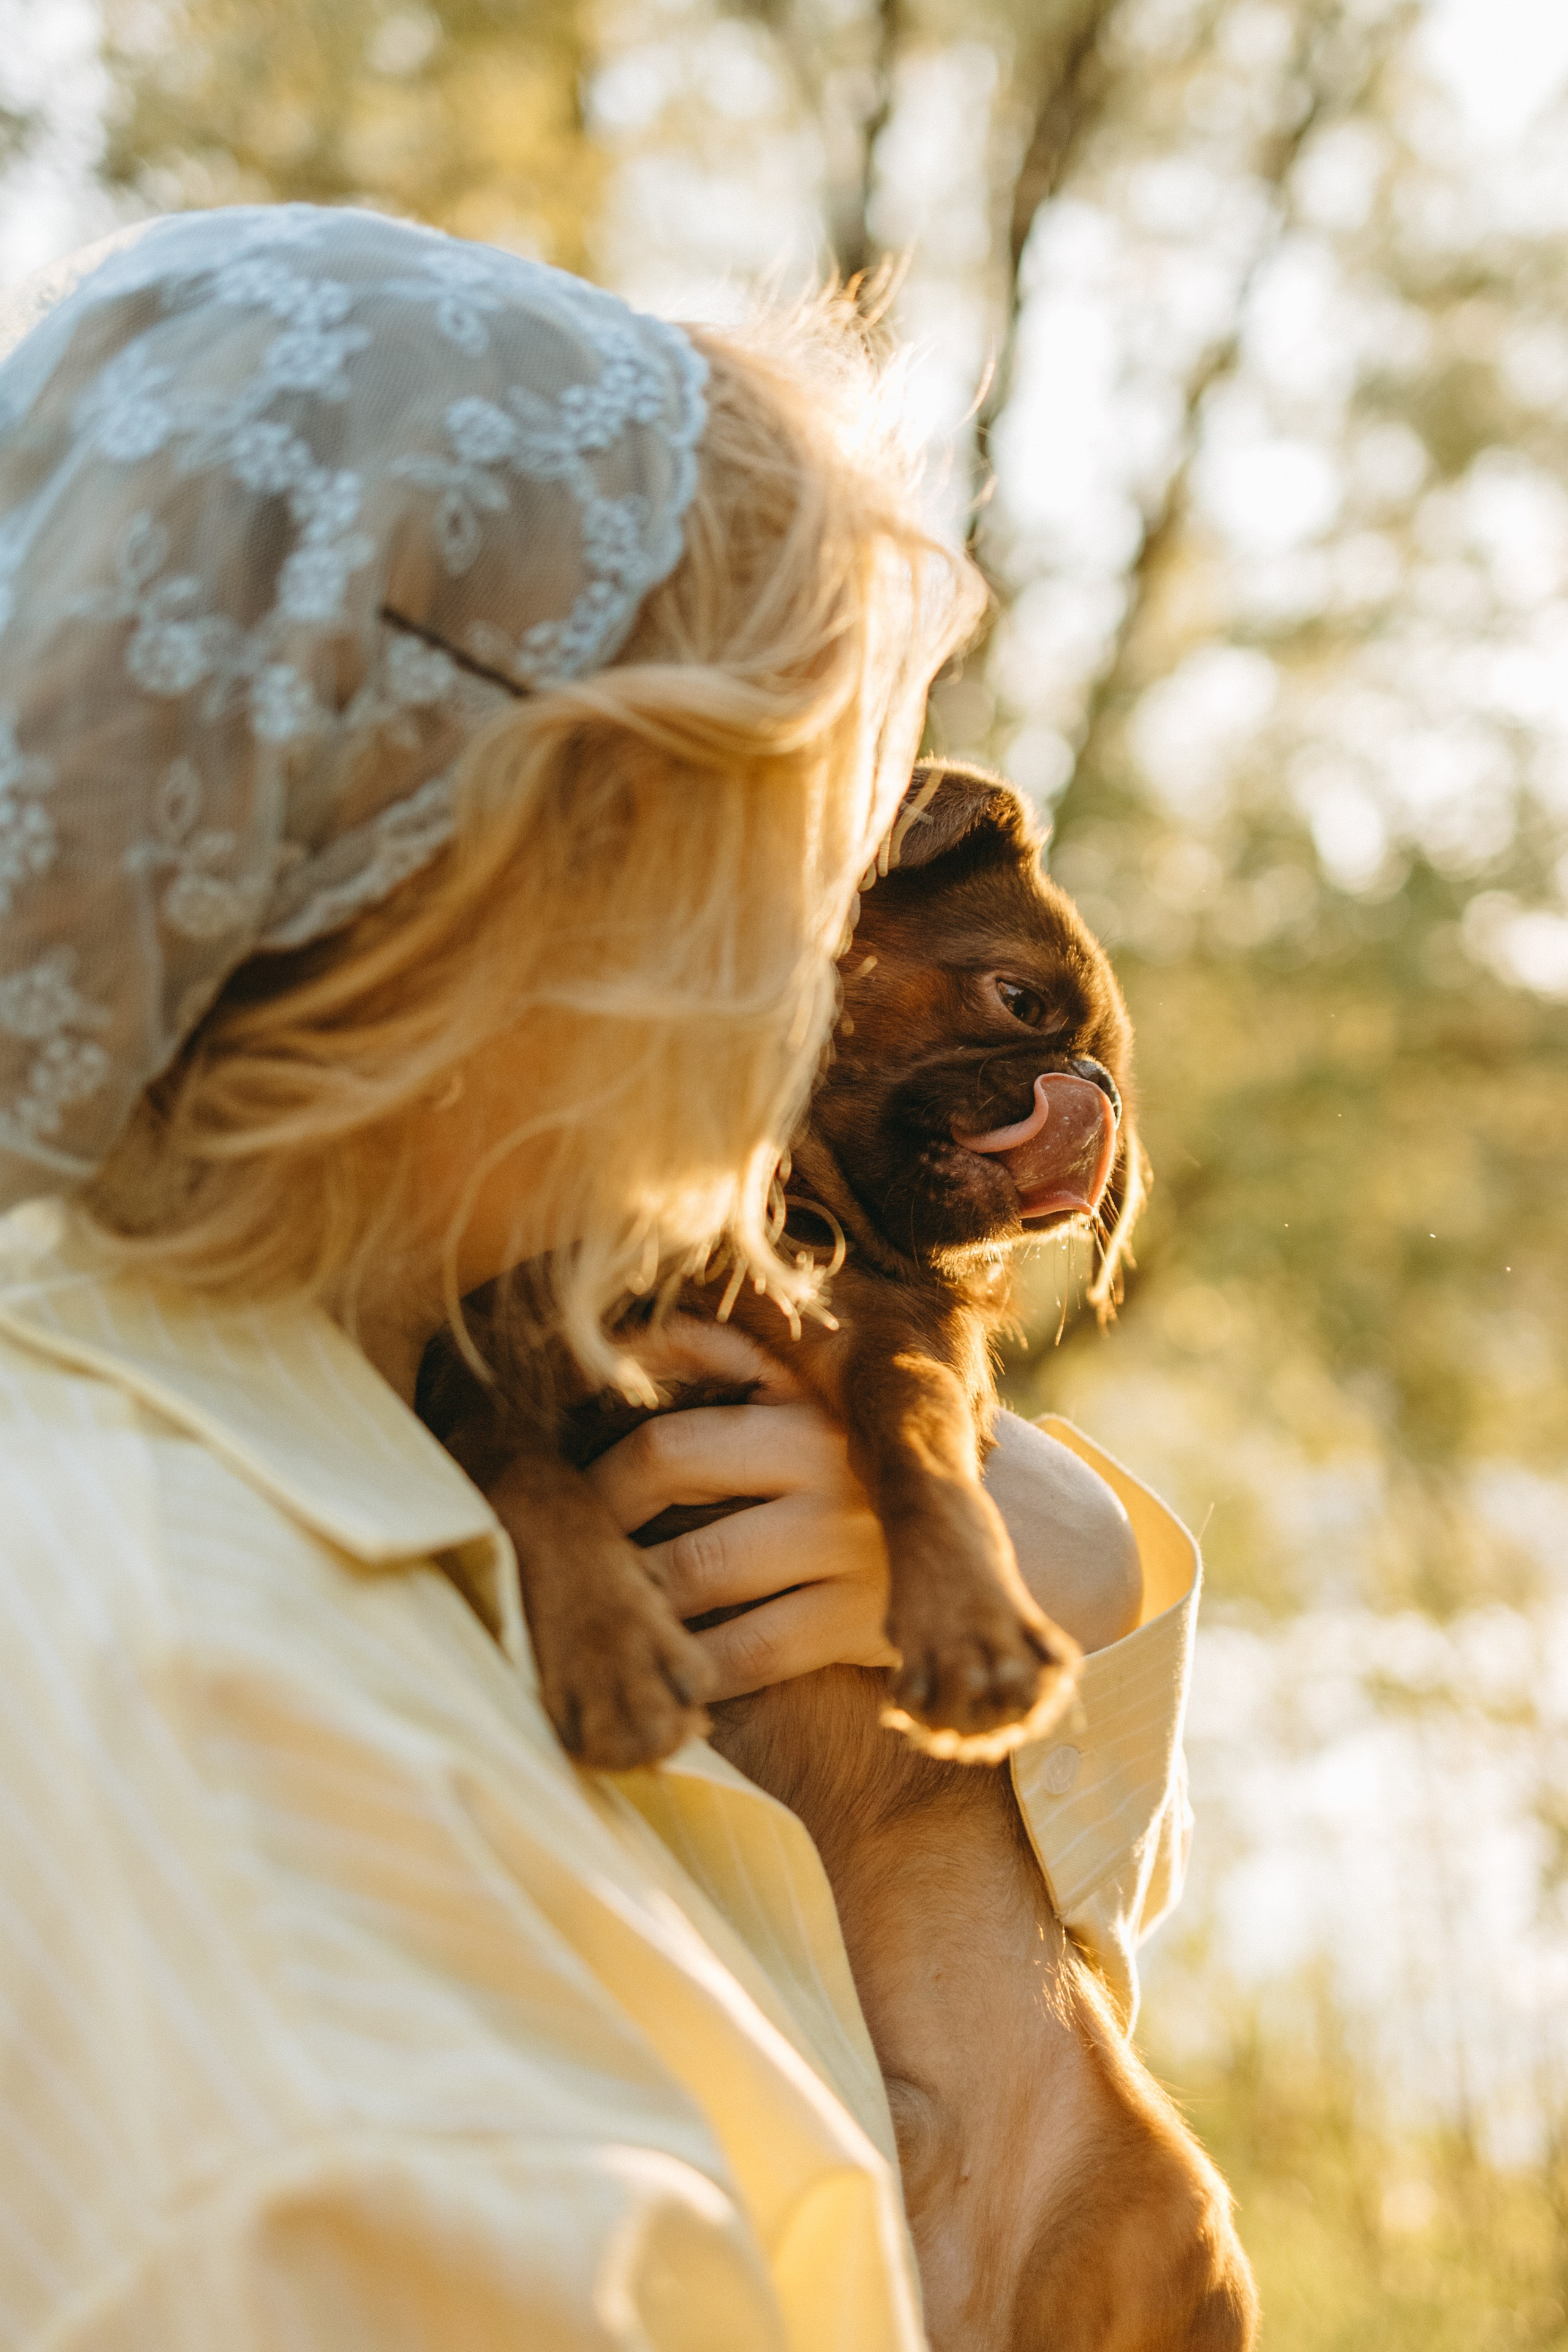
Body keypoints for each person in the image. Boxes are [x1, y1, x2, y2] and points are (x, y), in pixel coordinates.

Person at [0, 204, 1246, 2348]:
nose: (799, 967)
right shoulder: (233, 1745)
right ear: (511, 876)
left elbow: (904, 2079)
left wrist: (1078, 1572)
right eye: (775, 842)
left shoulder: (356, 1459)